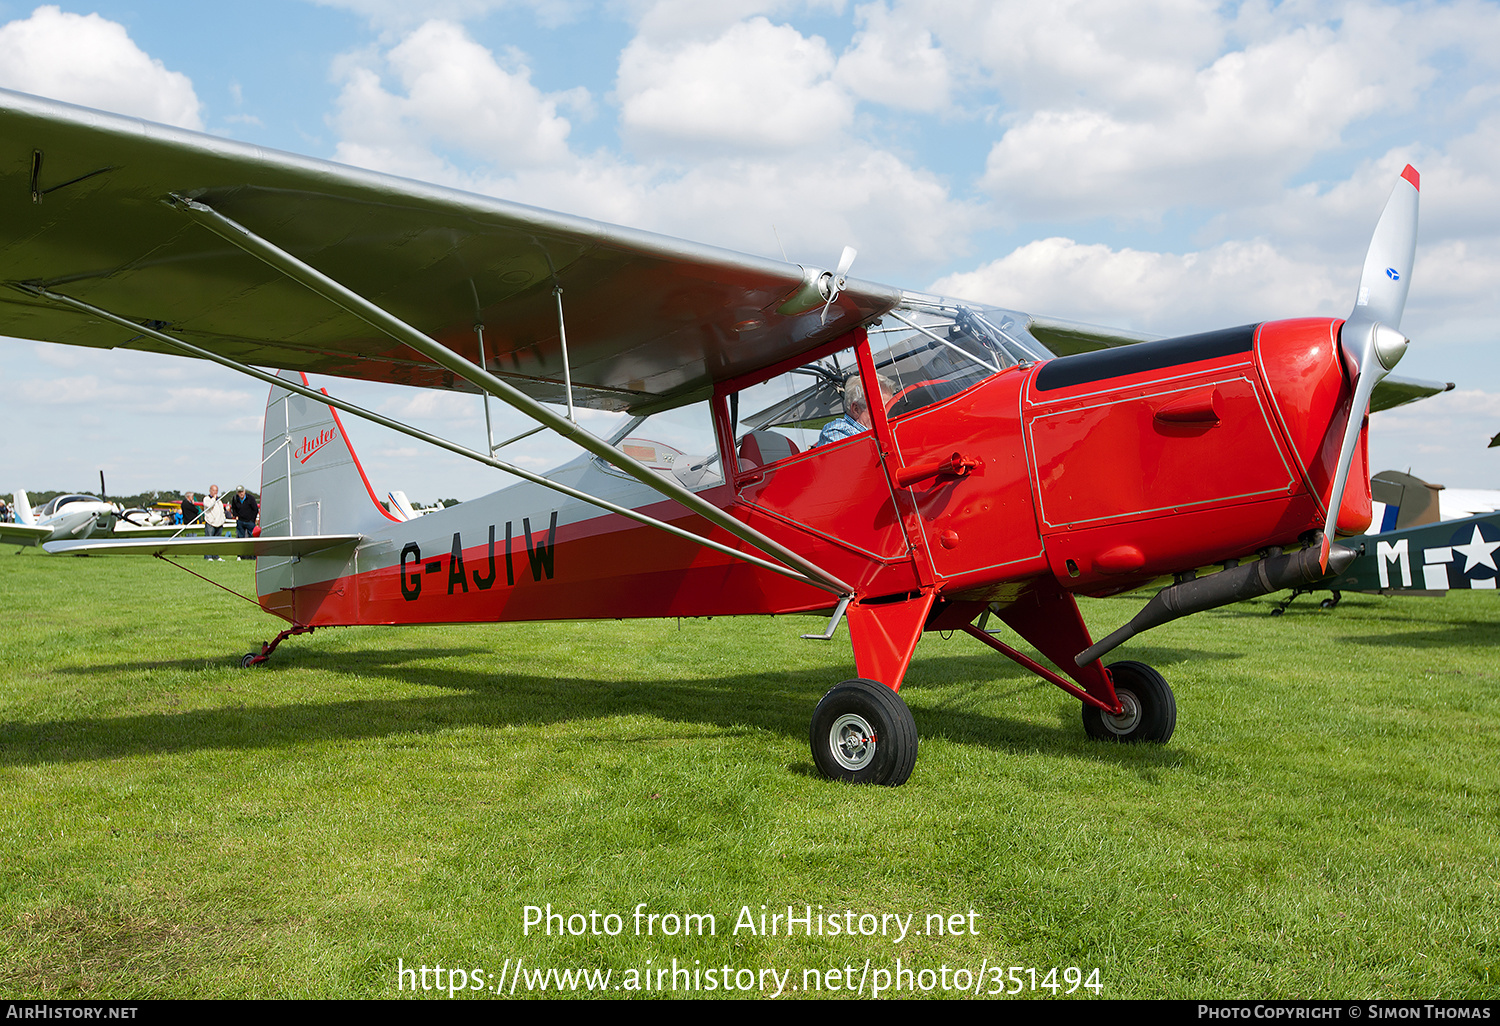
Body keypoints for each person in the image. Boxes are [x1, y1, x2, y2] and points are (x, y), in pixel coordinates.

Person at [816, 373, 894, 446]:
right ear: (856, 409)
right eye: (882, 408)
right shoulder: (836, 431)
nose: (888, 413)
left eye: (891, 407)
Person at [229, 486, 259, 560]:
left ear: (244, 491)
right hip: (240, 521)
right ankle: (240, 555)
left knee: (252, 538)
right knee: (240, 538)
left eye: (242, 491)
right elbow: (233, 508)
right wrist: (236, 516)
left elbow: (255, 509)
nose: (241, 493)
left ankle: (253, 555)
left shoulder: (250, 498)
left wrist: (252, 519)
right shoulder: (235, 499)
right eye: (239, 492)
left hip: (250, 521)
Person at [201, 484, 227, 560]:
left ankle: (216, 555)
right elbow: (209, 506)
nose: (215, 492)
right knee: (209, 540)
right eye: (213, 490)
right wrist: (213, 499)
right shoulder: (207, 499)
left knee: (217, 541)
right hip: (210, 522)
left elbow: (221, 510)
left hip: (219, 523)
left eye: (216, 490)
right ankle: (208, 556)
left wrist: (223, 519)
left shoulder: (219, 500)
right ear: (210, 491)